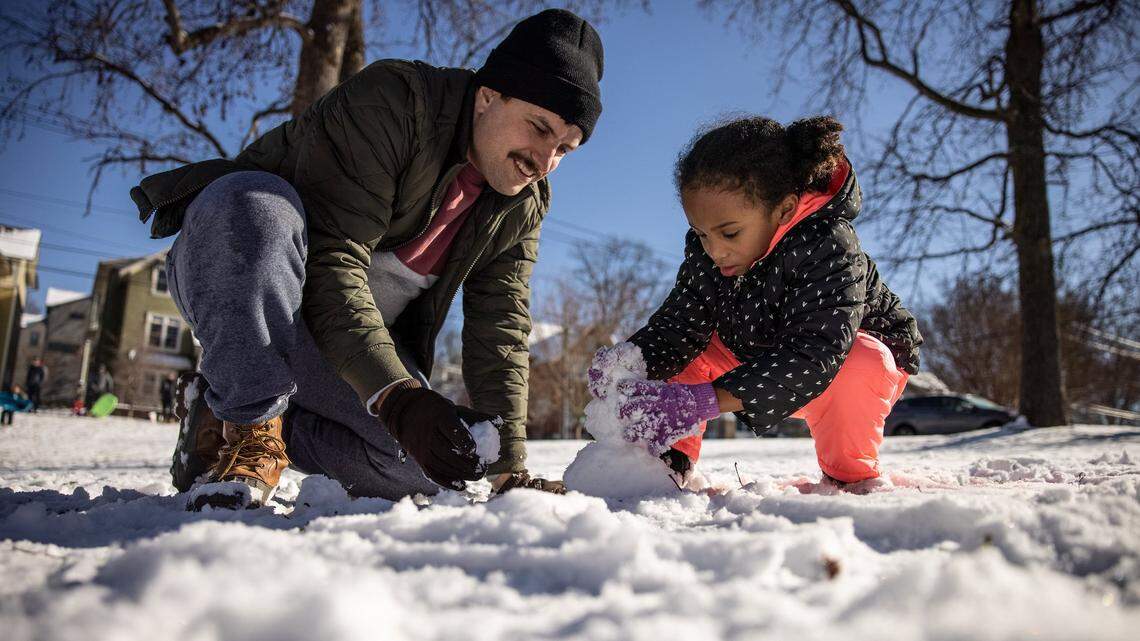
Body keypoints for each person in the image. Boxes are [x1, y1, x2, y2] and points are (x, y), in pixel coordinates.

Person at [130, 9, 603, 508]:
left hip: (343, 347)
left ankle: (227, 416)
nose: (545, 160)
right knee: (252, 202)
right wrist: (394, 396)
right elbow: (332, 264)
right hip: (250, 280)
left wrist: (507, 467)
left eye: (565, 149)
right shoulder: (398, 103)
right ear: (488, 96)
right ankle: (246, 428)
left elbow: (500, 328)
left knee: (428, 471)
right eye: (538, 127)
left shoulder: (523, 204)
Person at [589, 116, 922, 487]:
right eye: (701, 234)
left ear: (782, 209)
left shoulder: (829, 243)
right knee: (687, 349)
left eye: (729, 233)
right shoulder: (712, 253)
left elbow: (815, 352)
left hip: (844, 365)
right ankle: (670, 460)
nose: (714, 250)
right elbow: (680, 323)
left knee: (862, 362)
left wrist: (702, 401)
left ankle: (851, 475)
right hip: (759, 352)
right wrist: (633, 360)